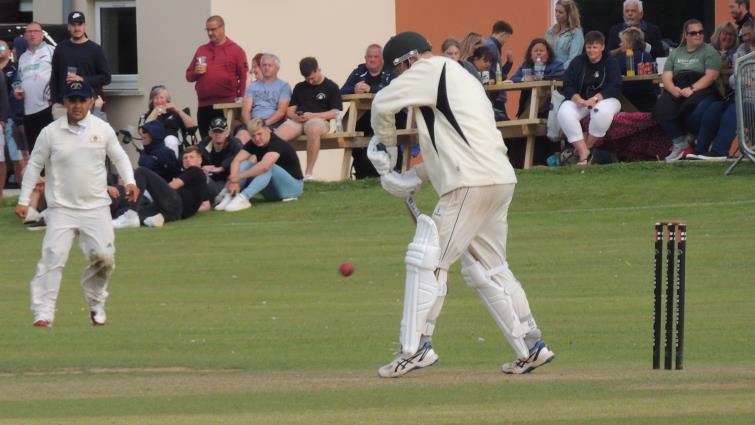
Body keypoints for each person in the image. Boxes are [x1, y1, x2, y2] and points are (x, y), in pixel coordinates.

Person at [368, 31, 553, 378]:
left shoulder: (428, 69)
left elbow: (381, 105)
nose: (401, 81)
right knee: (489, 269)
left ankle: (416, 348)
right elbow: (458, 144)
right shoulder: (461, 78)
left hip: (469, 184)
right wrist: (414, 176)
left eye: (399, 73)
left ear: (407, 61)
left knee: (428, 259)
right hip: (497, 180)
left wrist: (389, 150)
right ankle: (531, 345)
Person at [14, 80, 138, 328]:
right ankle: (43, 313)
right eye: (73, 101)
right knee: (52, 258)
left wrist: (130, 181)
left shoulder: (102, 129)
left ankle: (95, 303)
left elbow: (120, 157)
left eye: (82, 100)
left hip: (96, 207)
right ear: (65, 103)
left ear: (91, 101)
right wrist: (24, 200)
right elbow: (34, 166)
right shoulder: (50, 132)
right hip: (61, 208)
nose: (78, 105)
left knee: (105, 258)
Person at [688, 20, 755, 161]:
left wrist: (743, 79)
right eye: (745, 34)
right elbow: (733, 80)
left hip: (749, 101)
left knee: (733, 112)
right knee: (714, 108)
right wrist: (745, 80)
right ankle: (700, 150)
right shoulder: (742, 52)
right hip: (740, 98)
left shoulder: (742, 54)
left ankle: (719, 151)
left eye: (749, 34)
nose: (746, 37)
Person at [655, 19, 721, 162]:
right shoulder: (676, 52)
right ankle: (679, 143)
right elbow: (666, 75)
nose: (698, 35)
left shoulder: (710, 51)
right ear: (686, 35)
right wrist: (673, 89)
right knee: (661, 108)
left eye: (701, 32)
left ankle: (691, 138)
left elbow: (711, 76)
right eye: (693, 33)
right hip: (678, 85)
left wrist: (692, 89)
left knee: (696, 110)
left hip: (701, 86)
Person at [557, 31, 622, 165]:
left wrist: (596, 98)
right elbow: (567, 84)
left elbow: (615, 86)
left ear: (602, 47)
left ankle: (586, 148)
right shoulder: (577, 62)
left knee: (600, 112)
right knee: (564, 113)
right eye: (589, 47)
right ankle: (583, 153)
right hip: (582, 100)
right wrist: (577, 99)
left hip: (606, 99)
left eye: (595, 47)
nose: (591, 51)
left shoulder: (611, 62)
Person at [275, 57, 342, 180]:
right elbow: (290, 110)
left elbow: (335, 112)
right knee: (278, 135)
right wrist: (295, 116)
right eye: (307, 79)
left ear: (318, 70)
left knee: (313, 128)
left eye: (312, 78)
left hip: (320, 120)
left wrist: (313, 115)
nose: (310, 81)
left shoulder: (331, 86)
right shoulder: (299, 87)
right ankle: (278, 172)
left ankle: (308, 173)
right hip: (299, 120)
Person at [217, 118, 304, 212]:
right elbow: (236, 161)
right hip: (272, 193)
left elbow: (264, 166)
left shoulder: (276, 143)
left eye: (259, 134)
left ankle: (244, 198)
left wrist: (238, 177)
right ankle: (231, 194)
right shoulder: (253, 143)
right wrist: (234, 181)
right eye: (253, 136)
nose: (257, 138)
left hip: (293, 188)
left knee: (268, 167)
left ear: (267, 129)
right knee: (246, 163)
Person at [112, 146, 209, 228]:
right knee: (121, 212)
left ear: (200, 160)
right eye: (185, 158)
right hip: (173, 214)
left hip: (174, 204)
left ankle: (132, 215)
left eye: (191, 157)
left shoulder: (195, 171)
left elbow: (173, 186)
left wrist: (153, 188)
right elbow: (206, 206)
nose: (188, 160)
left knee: (141, 171)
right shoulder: (199, 180)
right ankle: (148, 220)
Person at [185, 15, 248, 139]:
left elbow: (244, 76)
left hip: (226, 105)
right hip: (204, 104)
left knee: (223, 142)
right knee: (206, 141)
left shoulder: (236, 50)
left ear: (222, 28)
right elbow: (188, 76)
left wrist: (241, 99)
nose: (210, 33)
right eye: (207, 30)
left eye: (213, 29)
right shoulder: (202, 50)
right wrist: (197, 72)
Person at [340, 44, 393, 178]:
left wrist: (371, 89)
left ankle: (382, 173)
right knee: (346, 132)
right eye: (369, 57)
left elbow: (393, 89)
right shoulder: (359, 72)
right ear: (365, 58)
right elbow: (342, 91)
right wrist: (354, 89)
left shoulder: (389, 72)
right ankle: (361, 174)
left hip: (387, 118)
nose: (372, 60)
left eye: (376, 57)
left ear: (382, 59)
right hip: (361, 118)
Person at [49, 11, 111, 119]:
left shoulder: (95, 49)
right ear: (68, 27)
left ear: (85, 26)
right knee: (62, 136)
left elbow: (106, 78)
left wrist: (82, 79)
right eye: (73, 25)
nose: (77, 28)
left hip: (87, 104)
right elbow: (54, 77)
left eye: (80, 24)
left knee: (86, 136)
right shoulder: (60, 49)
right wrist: (55, 101)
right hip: (63, 106)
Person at [16, 22, 55, 151]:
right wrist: (18, 91)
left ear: (42, 35)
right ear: (25, 36)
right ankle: (40, 173)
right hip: (28, 111)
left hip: (47, 108)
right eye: (29, 32)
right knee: (35, 151)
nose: (32, 34)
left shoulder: (51, 50)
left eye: (36, 31)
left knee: (50, 149)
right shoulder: (22, 58)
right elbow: (20, 81)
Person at [510, 38, 565, 118]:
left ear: (548, 53)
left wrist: (541, 78)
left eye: (541, 51)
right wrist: (524, 79)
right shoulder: (526, 66)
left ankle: (524, 120)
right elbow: (513, 79)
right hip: (528, 101)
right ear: (530, 54)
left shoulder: (556, 65)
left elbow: (560, 76)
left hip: (550, 103)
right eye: (536, 51)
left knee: (542, 92)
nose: (538, 53)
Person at [138, 85, 198, 156]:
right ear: (152, 101)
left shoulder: (175, 113)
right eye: (156, 98)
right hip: (153, 146)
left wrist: (178, 110)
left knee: (170, 140)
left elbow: (193, 127)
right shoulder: (146, 115)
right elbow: (142, 132)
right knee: (143, 145)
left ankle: (172, 166)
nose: (159, 101)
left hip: (175, 145)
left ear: (167, 100)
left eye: (162, 98)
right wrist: (155, 112)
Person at [198, 116, 243, 202]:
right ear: (210, 133)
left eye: (221, 131)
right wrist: (200, 168)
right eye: (215, 131)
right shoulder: (203, 145)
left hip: (228, 180)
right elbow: (190, 154)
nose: (217, 134)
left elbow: (239, 156)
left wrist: (221, 168)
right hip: (211, 179)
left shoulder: (235, 143)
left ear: (227, 133)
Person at [241, 53, 291, 129]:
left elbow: (281, 112)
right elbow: (245, 111)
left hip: (273, 123)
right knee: (241, 136)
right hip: (254, 122)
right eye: (264, 65)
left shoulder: (284, 86)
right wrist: (250, 126)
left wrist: (264, 124)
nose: (266, 67)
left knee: (265, 136)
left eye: (270, 65)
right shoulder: (252, 87)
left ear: (277, 68)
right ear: (261, 67)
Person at [1, 40, 25, 195]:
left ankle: (21, 188)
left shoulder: (14, 68)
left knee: (16, 154)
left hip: (10, 117)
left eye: (1, 47)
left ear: (9, 50)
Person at [614, 27, 657, 112]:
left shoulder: (621, 57)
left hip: (627, 100)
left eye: (622, 42)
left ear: (629, 43)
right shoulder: (648, 56)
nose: (620, 44)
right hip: (648, 101)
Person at [482, 21, 514, 119]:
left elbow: (498, 73)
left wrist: (509, 63)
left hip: (495, 94)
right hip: (494, 95)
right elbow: (493, 74)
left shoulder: (492, 45)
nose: (507, 41)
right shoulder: (491, 46)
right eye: (508, 37)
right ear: (502, 34)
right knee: (505, 126)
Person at [545, 0, 584, 69]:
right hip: (547, 71)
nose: (557, 14)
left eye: (560, 12)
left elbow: (573, 59)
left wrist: (559, 69)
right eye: (556, 11)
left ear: (569, 14)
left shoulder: (576, 33)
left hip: (564, 72)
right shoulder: (550, 31)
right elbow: (544, 51)